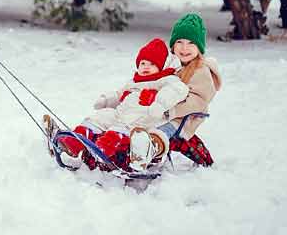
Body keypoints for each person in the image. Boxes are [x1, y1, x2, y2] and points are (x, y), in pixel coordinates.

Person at [46, 38, 188, 171]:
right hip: (120, 114)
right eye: (143, 63)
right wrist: (106, 100)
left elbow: (178, 90)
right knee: (102, 116)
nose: (146, 67)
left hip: (143, 120)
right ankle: (73, 143)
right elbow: (119, 94)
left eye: (152, 64)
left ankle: (104, 151)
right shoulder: (134, 82)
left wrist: (160, 104)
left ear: (162, 66)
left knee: (120, 128)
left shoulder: (166, 80)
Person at [138, 13, 222, 168]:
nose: (184, 48)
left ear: (199, 47)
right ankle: (123, 147)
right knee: (136, 124)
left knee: (160, 132)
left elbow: (198, 101)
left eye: (191, 43)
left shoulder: (200, 70)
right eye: (179, 42)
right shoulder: (172, 66)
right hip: (160, 112)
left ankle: (150, 150)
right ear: (173, 45)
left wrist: (172, 111)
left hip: (182, 119)